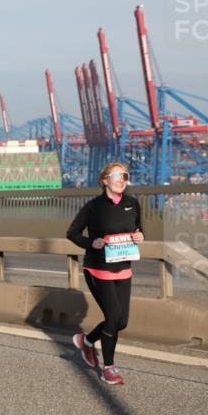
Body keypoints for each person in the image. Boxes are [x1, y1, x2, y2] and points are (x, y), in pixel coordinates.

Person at [67, 162, 143, 386]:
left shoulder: (133, 204)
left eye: (125, 176)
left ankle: (87, 341)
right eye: (118, 175)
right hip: (98, 269)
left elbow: (138, 230)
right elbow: (72, 233)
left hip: (124, 269)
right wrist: (93, 242)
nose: (122, 180)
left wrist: (140, 237)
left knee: (121, 321)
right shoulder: (93, 207)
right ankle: (108, 368)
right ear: (105, 180)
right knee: (112, 319)